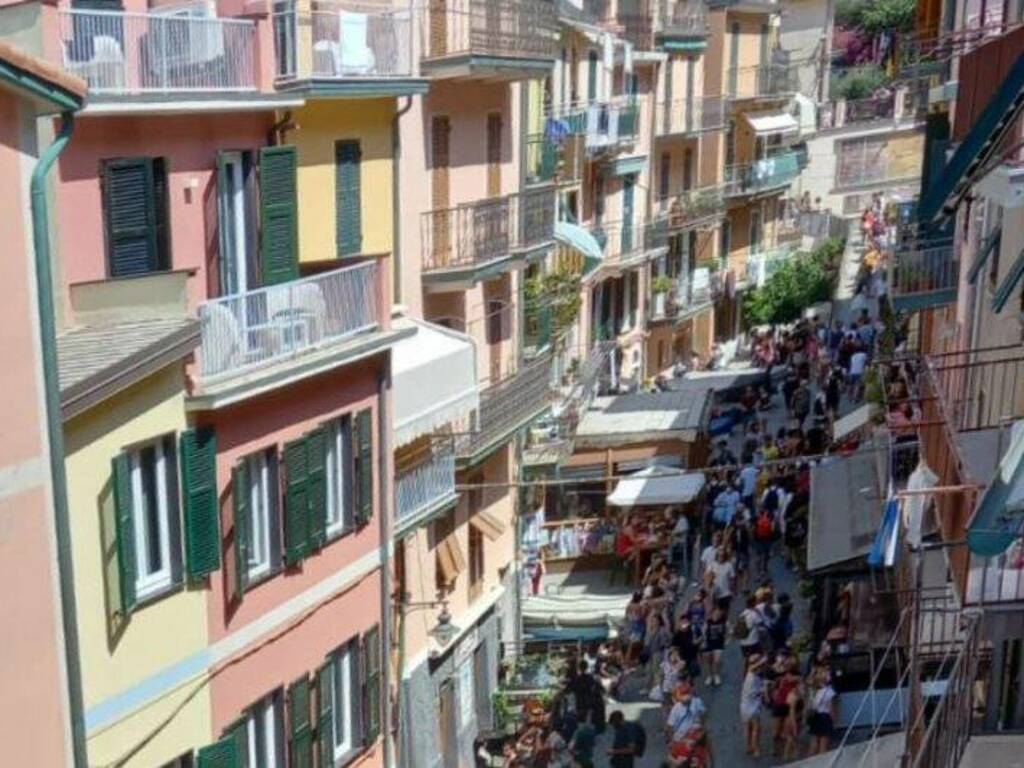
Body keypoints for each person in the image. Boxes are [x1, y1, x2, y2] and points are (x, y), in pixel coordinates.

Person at [740, 654, 769, 757]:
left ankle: (748, 747)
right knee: (756, 728)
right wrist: (763, 659)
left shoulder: (751, 677)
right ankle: (755, 748)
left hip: (744, 705)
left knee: (748, 727)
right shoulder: (751, 675)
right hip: (752, 707)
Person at [807, 667, 838, 756]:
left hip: (815, 716)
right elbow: (831, 708)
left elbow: (810, 704)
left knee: (813, 743)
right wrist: (834, 722)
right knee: (823, 744)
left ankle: (809, 763)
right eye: (827, 674)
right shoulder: (829, 691)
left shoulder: (813, 690)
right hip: (825, 717)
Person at [702, 606, 727, 686]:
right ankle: (710, 675)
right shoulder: (708, 622)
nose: (716, 615)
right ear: (712, 614)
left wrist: (727, 641)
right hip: (709, 643)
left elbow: (729, 631)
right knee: (709, 661)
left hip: (718, 644)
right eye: (715, 614)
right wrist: (704, 642)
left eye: (718, 614)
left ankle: (716, 675)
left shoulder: (723, 622)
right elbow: (703, 632)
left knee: (717, 660)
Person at [705, 547, 735, 612]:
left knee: (725, 612)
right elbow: (707, 577)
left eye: (723, 551)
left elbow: (732, 579)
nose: (721, 555)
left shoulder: (729, 565)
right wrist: (708, 590)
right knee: (715, 612)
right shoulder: (712, 565)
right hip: (715, 594)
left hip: (726, 593)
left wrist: (733, 591)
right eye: (720, 551)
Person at [737, 593, 766, 660]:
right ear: (754, 603)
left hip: (743, 642)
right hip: (753, 641)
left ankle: (745, 670)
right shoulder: (754, 614)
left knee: (746, 660)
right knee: (759, 659)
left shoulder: (742, 614)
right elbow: (761, 624)